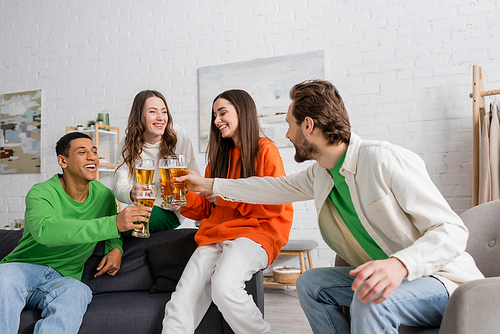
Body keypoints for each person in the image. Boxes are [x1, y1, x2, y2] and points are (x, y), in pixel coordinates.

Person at [176, 80, 485, 333]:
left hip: (440, 281)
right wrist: (208, 185)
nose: (286, 133)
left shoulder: (382, 159)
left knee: (371, 299)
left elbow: (452, 230)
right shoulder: (321, 174)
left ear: (307, 125)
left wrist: (399, 264)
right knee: (310, 282)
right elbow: (271, 187)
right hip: (387, 277)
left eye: (289, 125)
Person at [161, 89, 294, 334]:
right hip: (215, 235)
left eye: (223, 113)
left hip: (256, 233)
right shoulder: (219, 159)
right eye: (214, 115)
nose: (216, 121)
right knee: (181, 301)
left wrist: (225, 196)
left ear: (243, 113)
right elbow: (207, 209)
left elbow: (274, 203)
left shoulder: (266, 151)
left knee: (224, 286)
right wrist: (181, 197)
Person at [0, 132, 151, 334]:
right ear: (63, 161)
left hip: (64, 278)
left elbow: (111, 231)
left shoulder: (104, 196)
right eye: (82, 152)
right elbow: (46, 231)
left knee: (78, 292)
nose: (92, 157)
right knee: (3, 278)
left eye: (94, 152)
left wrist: (115, 248)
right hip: (22, 270)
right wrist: (114, 223)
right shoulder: (41, 193)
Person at [113, 90, 200, 233]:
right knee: (110, 221)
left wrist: (201, 222)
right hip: (141, 207)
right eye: (152, 112)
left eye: (164, 112)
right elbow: (119, 186)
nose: (160, 118)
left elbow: (196, 180)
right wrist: (130, 192)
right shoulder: (128, 143)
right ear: (138, 118)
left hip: (170, 209)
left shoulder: (179, 137)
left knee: (117, 227)